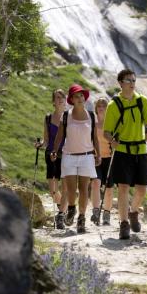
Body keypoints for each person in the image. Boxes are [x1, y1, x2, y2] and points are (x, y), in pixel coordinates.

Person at [103, 69, 147, 239]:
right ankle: (123, 224)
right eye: (128, 80)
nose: (132, 83)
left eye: (133, 79)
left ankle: (133, 213)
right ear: (120, 83)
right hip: (122, 150)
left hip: (140, 150)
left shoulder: (143, 101)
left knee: (142, 189)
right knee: (123, 188)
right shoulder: (113, 105)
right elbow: (107, 132)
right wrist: (112, 141)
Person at [51, 84, 101, 233]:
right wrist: (54, 150)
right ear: (71, 99)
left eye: (81, 96)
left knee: (84, 189)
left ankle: (81, 219)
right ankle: (71, 208)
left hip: (86, 156)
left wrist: (98, 153)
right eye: (76, 96)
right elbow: (60, 135)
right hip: (69, 157)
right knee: (71, 190)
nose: (80, 98)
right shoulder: (66, 116)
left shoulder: (91, 115)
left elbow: (95, 138)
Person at [35, 89, 67, 229]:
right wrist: (41, 144)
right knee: (53, 191)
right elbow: (47, 139)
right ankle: (63, 209)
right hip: (50, 155)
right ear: (53, 101)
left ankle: (62, 214)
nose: (60, 99)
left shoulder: (69, 117)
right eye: (57, 97)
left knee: (65, 188)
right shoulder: (48, 118)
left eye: (62, 97)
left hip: (66, 155)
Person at [91, 97, 114, 225]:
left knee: (109, 189)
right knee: (95, 182)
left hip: (110, 159)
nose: (101, 108)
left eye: (104, 106)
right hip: (96, 158)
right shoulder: (93, 124)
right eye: (99, 106)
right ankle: (95, 211)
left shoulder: (112, 125)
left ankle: (107, 213)